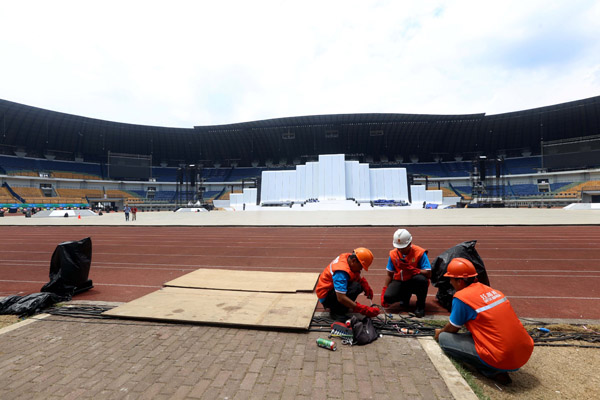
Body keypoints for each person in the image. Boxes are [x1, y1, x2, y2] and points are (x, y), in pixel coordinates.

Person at [434, 258, 534, 385]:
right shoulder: (492, 291)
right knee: (473, 333)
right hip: (523, 352)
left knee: (444, 338)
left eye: (451, 279)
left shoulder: (462, 297)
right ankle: (497, 364)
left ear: (459, 281)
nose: (450, 282)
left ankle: (491, 370)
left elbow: (453, 328)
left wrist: (440, 332)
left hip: (502, 357)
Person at [316, 248, 380, 320]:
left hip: (331, 289)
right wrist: (362, 309)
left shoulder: (348, 257)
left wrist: (364, 284)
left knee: (359, 285)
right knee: (355, 287)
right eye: (361, 266)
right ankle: (336, 312)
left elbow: (353, 274)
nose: (361, 269)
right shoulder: (341, 272)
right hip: (326, 297)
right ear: (353, 261)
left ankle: (343, 306)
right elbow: (341, 298)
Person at [381, 229, 431, 318]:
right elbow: (389, 274)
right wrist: (384, 290)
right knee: (388, 297)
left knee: (421, 280)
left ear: (410, 243)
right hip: (400, 280)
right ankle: (405, 297)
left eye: (403, 248)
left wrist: (413, 270)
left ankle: (420, 306)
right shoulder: (393, 254)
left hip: (414, 281)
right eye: (399, 248)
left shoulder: (419, 253)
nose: (401, 250)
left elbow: (428, 273)